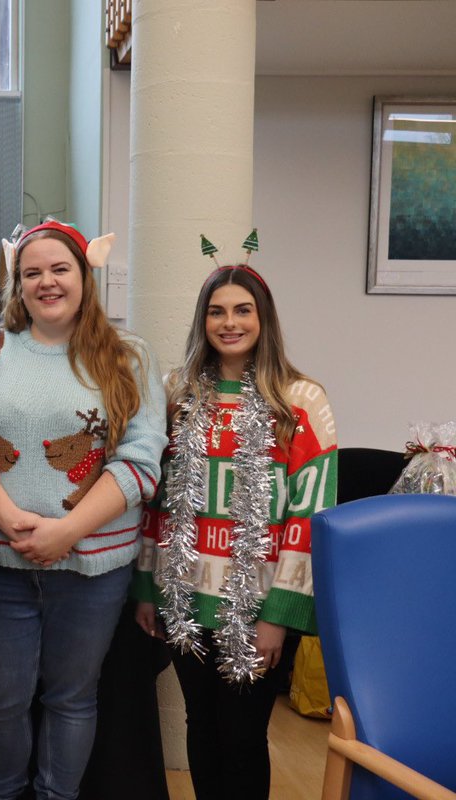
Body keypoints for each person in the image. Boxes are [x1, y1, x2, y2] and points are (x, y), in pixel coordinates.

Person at [0, 220, 167, 800]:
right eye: (31, 273)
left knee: (72, 699)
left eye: (59, 270)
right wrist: (3, 515)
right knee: (0, 701)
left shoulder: (130, 356)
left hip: (95, 568)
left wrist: (67, 531)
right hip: (3, 561)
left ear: (84, 276)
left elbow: (141, 459)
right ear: (16, 284)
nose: (46, 283)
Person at [133, 246, 337, 800]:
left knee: (244, 735)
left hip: (257, 605)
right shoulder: (177, 392)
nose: (230, 323)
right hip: (185, 598)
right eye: (217, 311)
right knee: (201, 725)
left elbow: (310, 517)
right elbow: (159, 505)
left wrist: (280, 615)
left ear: (263, 319)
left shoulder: (300, 401)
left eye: (243, 310)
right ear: (203, 320)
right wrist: (150, 587)